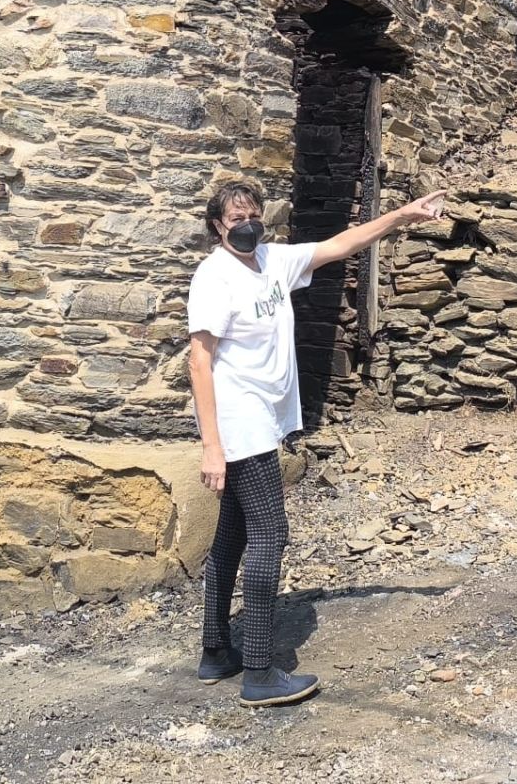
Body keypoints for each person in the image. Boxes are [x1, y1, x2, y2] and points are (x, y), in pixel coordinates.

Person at [186, 177, 448, 706]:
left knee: (233, 533)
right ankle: (260, 672)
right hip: (240, 422)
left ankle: (216, 651)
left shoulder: (272, 261)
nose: (247, 226)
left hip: (262, 419)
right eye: (236, 220)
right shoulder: (214, 277)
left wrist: (402, 215)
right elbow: (199, 362)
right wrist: (212, 447)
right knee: (271, 533)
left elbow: (341, 244)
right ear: (217, 226)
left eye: (253, 216)